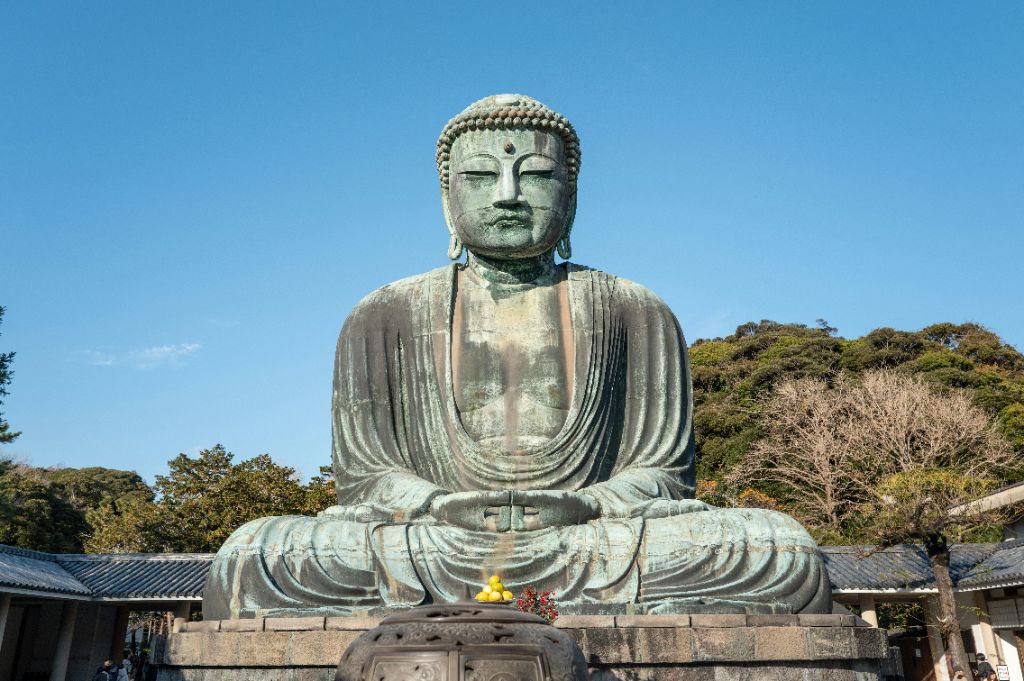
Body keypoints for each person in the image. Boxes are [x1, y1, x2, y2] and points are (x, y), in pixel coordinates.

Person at [203, 94, 832, 619]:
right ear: (445, 199)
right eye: (480, 177)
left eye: (533, 175)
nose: (508, 194)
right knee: (254, 555)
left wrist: (589, 504)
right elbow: (364, 478)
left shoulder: (634, 309)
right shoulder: (383, 314)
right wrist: (431, 505)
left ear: (572, 193)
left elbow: (665, 473)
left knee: (777, 549)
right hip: (434, 539)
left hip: (592, 538)